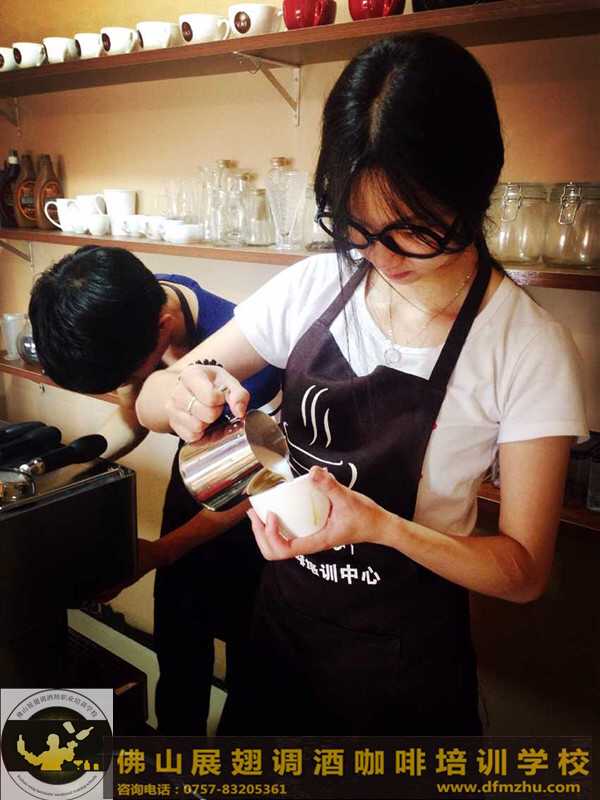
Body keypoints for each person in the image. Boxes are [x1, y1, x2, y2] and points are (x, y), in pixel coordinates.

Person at [135, 33, 587, 736]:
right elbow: (149, 402)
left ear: (472, 189)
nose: (380, 256)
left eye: (413, 228)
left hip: (403, 675)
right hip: (278, 641)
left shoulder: (525, 344)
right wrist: (184, 391)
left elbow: (524, 571)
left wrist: (381, 527)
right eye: (357, 227)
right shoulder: (316, 285)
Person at [28, 246, 281, 734]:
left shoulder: (255, 358)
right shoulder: (135, 303)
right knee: (179, 656)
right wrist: (62, 477)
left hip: (255, 520)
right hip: (190, 493)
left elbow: (257, 485)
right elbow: (132, 412)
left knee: (250, 671)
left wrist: (160, 551)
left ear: (165, 327)